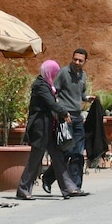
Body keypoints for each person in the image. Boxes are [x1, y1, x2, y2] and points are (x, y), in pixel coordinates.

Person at [16, 60, 78, 200]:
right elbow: (50, 103)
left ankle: (68, 187)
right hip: (40, 128)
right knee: (35, 159)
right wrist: (64, 112)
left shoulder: (47, 85)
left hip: (49, 128)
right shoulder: (40, 85)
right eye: (54, 73)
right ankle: (23, 189)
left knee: (57, 157)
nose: (55, 76)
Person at [42, 48, 96, 194]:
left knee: (78, 154)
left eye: (80, 60)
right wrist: (60, 110)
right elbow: (54, 91)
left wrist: (87, 98)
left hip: (78, 118)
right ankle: (48, 177)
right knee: (67, 152)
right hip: (65, 118)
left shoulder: (83, 75)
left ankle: (75, 186)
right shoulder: (64, 73)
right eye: (75, 59)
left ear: (85, 62)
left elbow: (81, 93)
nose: (77, 62)